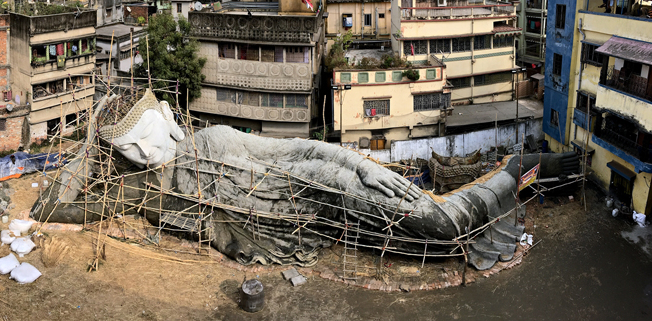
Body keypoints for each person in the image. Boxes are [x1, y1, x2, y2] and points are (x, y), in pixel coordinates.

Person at [33, 90, 539, 269]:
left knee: (353, 176)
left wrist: (359, 161)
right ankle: (494, 188)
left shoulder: (212, 138)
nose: (153, 148)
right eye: (138, 147)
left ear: (167, 117)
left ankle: (502, 179)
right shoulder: (145, 188)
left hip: (306, 177)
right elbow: (51, 209)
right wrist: (88, 145)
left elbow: (295, 146)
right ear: (134, 155)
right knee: (434, 223)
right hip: (297, 206)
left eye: (155, 130)